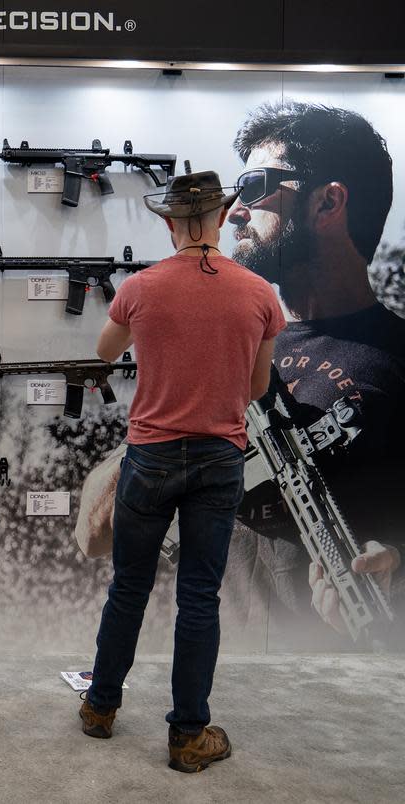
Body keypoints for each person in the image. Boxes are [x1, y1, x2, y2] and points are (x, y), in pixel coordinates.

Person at [77, 172, 285, 773]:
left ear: (168, 223)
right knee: (200, 597)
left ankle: (100, 707)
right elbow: (257, 386)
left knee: (129, 587)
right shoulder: (259, 293)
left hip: (151, 454)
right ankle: (188, 735)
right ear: (222, 218)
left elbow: (104, 351)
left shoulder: (141, 287)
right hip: (220, 457)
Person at [228, 101, 403, 636]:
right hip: (211, 677)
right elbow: (94, 536)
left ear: (328, 203)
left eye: (255, 186)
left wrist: (395, 563)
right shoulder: (229, 353)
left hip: (338, 686)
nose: (234, 209)